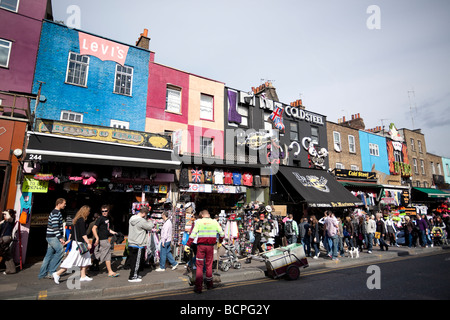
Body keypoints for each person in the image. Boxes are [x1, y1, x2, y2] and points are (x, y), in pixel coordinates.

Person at [185, 210, 224, 294]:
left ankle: (199, 287)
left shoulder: (199, 222)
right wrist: (220, 241)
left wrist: (188, 245)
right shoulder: (214, 222)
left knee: (199, 265)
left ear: (202, 215)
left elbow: (193, 234)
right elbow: (222, 234)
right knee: (209, 265)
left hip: (201, 246)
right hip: (210, 246)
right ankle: (209, 284)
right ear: (209, 215)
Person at [52, 205, 93, 284]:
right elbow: (83, 234)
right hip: (79, 244)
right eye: (88, 211)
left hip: (76, 243)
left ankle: (83, 276)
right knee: (72, 260)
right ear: (85, 212)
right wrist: (88, 242)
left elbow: (71, 232)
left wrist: (68, 240)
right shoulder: (81, 220)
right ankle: (57, 273)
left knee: (86, 258)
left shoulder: (76, 220)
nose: (89, 213)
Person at [38, 198, 67, 279]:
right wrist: (60, 238)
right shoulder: (55, 213)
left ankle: (42, 273)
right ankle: (51, 272)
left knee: (48, 255)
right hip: (53, 237)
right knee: (60, 251)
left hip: (51, 236)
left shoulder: (56, 212)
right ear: (59, 203)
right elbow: (55, 227)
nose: (65, 205)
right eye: (64, 203)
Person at [92, 205, 119, 277]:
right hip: (102, 239)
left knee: (107, 255)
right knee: (103, 255)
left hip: (105, 239)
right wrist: (97, 238)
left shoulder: (107, 219)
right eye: (103, 211)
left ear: (108, 211)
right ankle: (84, 267)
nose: (104, 212)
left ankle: (110, 271)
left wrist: (114, 232)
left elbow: (107, 229)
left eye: (105, 211)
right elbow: (94, 228)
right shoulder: (100, 219)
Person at [127, 206, 154, 282]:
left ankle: (135, 274)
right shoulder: (141, 221)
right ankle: (133, 276)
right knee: (137, 261)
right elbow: (150, 227)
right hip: (138, 243)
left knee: (133, 261)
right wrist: (149, 220)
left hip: (131, 242)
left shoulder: (132, 218)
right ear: (144, 213)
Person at [0, 209, 17, 274]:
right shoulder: (4, 222)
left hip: (5, 238)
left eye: (5, 214)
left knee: (5, 254)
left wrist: (6, 212)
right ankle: (11, 270)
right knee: (7, 255)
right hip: (3, 238)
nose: (4, 215)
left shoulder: (11, 220)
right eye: (4, 214)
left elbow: (9, 218)